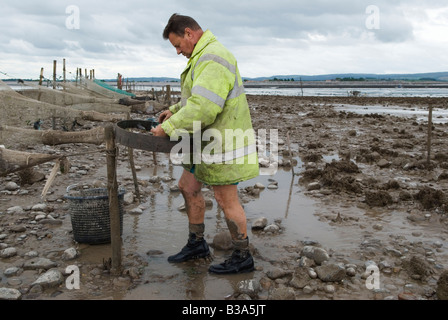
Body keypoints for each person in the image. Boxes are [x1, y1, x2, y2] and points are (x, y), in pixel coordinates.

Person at [151, 13, 259, 274]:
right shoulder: (201, 56)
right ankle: (197, 244)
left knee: (225, 199)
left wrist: (168, 128)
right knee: (187, 186)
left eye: (178, 45)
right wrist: (174, 110)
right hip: (203, 141)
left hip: (222, 142)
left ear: (189, 33)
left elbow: (204, 109)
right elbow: (195, 99)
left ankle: (243, 256)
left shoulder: (213, 57)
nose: (178, 52)